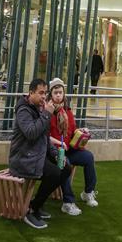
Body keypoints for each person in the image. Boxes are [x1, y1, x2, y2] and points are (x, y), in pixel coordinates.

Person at [8, 77, 72, 230]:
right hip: (23, 158)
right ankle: (30, 209)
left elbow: (44, 138)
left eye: (45, 93)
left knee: (65, 168)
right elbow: (31, 133)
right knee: (55, 173)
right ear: (31, 93)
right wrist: (47, 114)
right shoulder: (23, 110)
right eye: (41, 93)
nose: (44, 97)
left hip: (35, 154)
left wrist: (56, 154)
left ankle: (36, 205)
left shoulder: (39, 109)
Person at [48, 78, 98, 213]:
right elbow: (44, 136)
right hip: (54, 152)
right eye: (55, 92)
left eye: (60, 92)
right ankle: (68, 202)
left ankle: (88, 192)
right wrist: (59, 143)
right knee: (65, 164)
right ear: (50, 94)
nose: (58, 95)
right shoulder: (47, 111)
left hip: (69, 148)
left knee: (88, 157)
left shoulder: (67, 110)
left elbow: (73, 130)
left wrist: (81, 131)